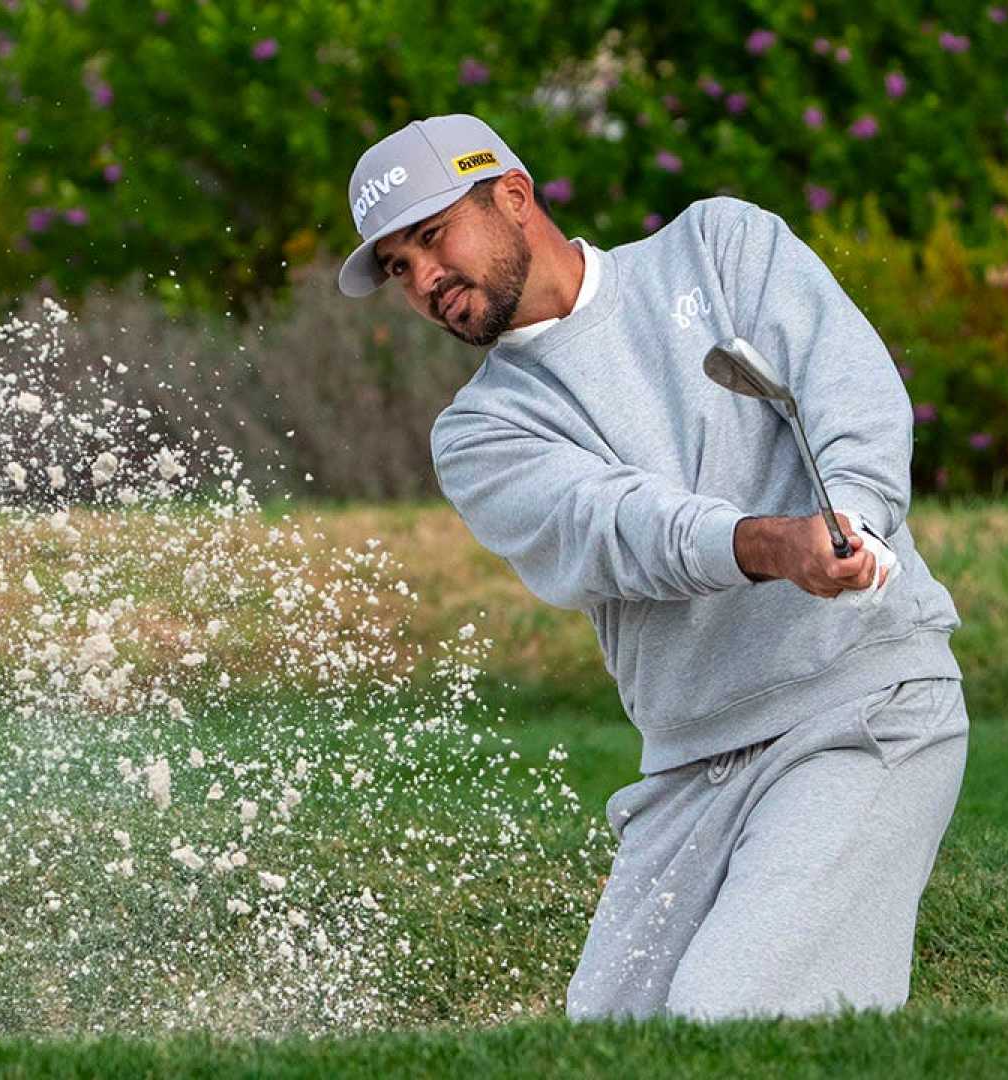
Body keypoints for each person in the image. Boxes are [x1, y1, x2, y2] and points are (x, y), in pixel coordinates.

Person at [335, 114, 970, 1022]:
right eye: (399, 267)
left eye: (432, 238)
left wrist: (853, 519)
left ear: (513, 196)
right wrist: (766, 543)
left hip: (864, 708)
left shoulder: (720, 247)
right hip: (688, 768)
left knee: (730, 1016)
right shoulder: (478, 434)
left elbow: (850, 387)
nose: (425, 281)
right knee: (612, 1038)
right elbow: (617, 529)